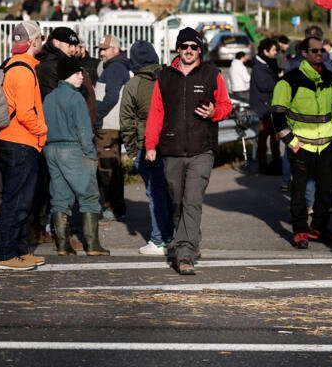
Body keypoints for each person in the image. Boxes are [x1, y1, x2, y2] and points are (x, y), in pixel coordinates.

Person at [144, 28, 232, 275]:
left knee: (192, 200)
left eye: (194, 47)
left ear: (200, 50)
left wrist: (215, 113)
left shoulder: (212, 74)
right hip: (171, 149)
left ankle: (184, 254)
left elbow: (226, 105)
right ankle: (190, 237)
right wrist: (151, 145)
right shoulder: (164, 77)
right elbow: (155, 113)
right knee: (177, 201)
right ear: (178, 50)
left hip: (201, 150)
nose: (189, 51)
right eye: (185, 47)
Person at [271, 35, 332, 249]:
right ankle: (300, 230)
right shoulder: (289, 80)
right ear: (304, 53)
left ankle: (319, 227)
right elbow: (277, 115)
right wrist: (291, 141)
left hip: (327, 145)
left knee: (327, 190)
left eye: (322, 51)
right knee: (299, 192)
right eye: (314, 51)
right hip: (301, 145)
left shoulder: (331, 78)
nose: (319, 54)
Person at [0, 21, 48, 271]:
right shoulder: (24, 71)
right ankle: (5, 254)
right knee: (17, 201)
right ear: (34, 41)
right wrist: (43, 131)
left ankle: (20, 251)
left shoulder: (12, 66)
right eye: (41, 37)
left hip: (10, 140)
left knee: (19, 200)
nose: (42, 42)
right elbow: (26, 114)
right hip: (20, 142)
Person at [43, 57, 109, 256]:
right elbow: (83, 131)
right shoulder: (76, 98)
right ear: (68, 75)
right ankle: (92, 244)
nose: (82, 76)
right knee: (89, 196)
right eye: (78, 73)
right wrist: (90, 155)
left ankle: (63, 244)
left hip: (51, 149)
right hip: (73, 149)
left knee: (60, 198)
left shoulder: (50, 97)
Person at [120, 40, 170, 255]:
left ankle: (159, 240)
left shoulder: (134, 85)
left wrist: (131, 151)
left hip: (145, 145)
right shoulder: (169, 78)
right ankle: (174, 236)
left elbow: (126, 120)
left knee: (155, 192)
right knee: (172, 191)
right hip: (171, 144)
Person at [94, 34, 132, 222]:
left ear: (115, 50)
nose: (101, 53)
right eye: (100, 49)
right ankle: (116, 206)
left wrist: (96, 115)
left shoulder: (115, 68)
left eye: (104, 49)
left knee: (107, 168)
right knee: (113, 167)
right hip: (111, 124)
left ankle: (112, 206)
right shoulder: (115, 65)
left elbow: (112, 97)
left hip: (108, 125)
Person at [249, 38, 281, 176]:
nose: (275, 53)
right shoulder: (258, 67)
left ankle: (276, 162)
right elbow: (264, 85)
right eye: (273, 50)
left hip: (270, 107)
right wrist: (279, 83)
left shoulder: (269, 64)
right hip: (263, 108)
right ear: (265, 51)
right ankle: (263, 164)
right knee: (264, 137)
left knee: (275, 136)